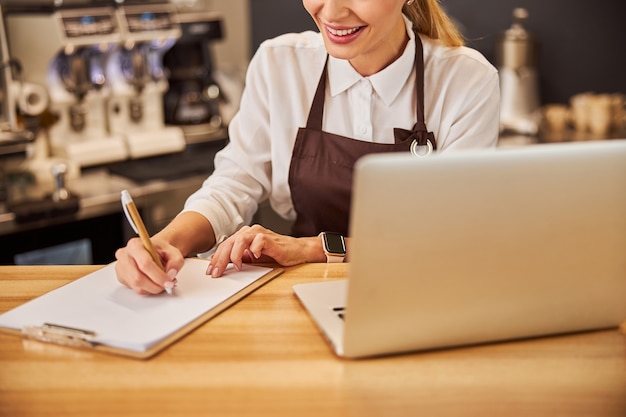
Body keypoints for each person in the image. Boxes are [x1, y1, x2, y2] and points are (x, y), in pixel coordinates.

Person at [115, 0, 500, 294]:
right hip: (303, 293)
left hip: (422, 291)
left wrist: (312, 250)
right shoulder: (279, 63)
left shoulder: (465, 80)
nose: (331, 11)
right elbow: (234, 184)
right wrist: (166, 243)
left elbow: (451, 237)